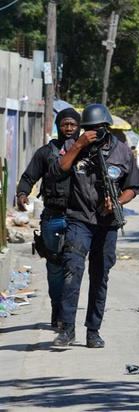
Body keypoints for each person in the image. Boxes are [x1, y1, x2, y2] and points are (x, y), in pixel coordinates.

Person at [50, 103, 139, 348]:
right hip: (79, 219)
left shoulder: (123, 152)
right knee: (72, 271)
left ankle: (93, 330)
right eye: (88, 128)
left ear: (107, 127)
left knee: (100, 276)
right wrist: (80, 144)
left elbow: (133, 188)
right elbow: (59, 170)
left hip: (107, 223)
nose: (94, 133)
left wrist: (118, 201)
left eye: (98, 129)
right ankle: (67, 329)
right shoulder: (74, 146)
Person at [16, 108, 81, 330]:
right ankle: (57, 308)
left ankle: (67, 313)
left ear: (79, 126)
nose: (69, 129)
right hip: (52, 216)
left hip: (78, 218)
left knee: (73, 266)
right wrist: (22, 194)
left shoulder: (87, 151)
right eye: (65, 125)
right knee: (54, 266)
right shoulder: (46, 152)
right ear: (59, 126)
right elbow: (28, 177)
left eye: (73, 125)